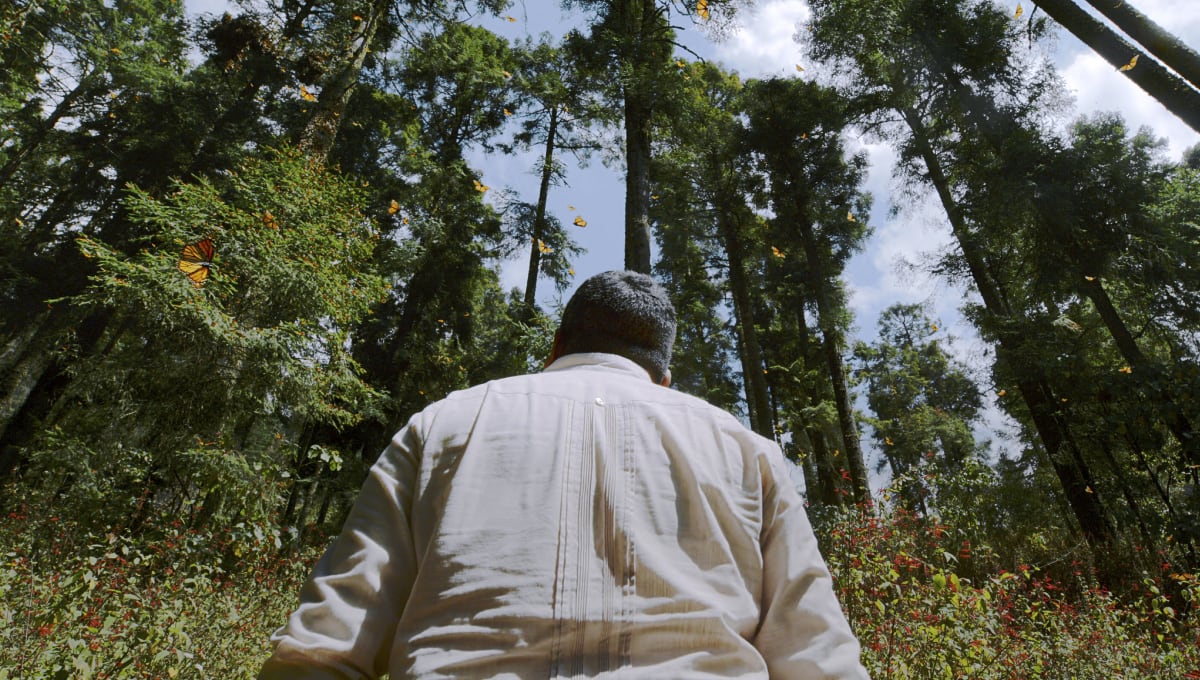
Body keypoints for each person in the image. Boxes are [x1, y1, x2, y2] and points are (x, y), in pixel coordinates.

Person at [259, 270, 869, 679]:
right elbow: (818, 656)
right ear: (665, 375)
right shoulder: (747, 451)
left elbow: (327, 644)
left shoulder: (441, 425)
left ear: (554, 347)